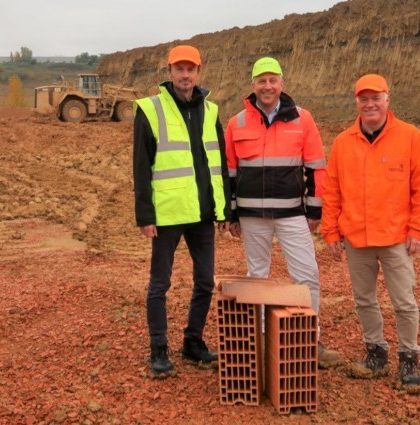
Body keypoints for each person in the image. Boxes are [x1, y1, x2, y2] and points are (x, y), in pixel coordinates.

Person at [321, 73, 420, 394]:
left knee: (404, 301)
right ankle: (376, 352)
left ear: (388, 99)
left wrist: (418, 228)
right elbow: (332, 190)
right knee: (363, 300)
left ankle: (408, 357)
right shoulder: (344, 141)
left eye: (376, 97)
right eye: (364, 98)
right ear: (356, 102)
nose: (370, 103)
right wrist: (330, 231)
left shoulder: (410, 137)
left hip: (397, 237)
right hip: (357, 238)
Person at [225, 57, 342, 369]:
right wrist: (232, 214)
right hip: (252, 217)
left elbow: (317, 168)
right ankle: (262, 339)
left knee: (307, 275)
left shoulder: (303, 119)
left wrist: (315, 210)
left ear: (281, 83)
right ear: (252, 85)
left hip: (292, 214)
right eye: (261, 80)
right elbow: (230, 174)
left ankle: (311, 340)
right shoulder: (236, 123)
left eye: (272, 80)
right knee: (257, 277)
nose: (267, 86)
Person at [133, 45, 231, 378]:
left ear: (199, 72)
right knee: (160, 284)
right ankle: (158, 350)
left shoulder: (212, 111)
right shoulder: (151, 109)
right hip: (168, 214)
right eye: (179, 69)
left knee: (205, 282)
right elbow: (141, 166)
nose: (185, 75)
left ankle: (193, 342)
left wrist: (222, 209)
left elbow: (218, 162)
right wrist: (145, 216)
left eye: (191, 69)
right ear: (170, 71)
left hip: (203, 213)